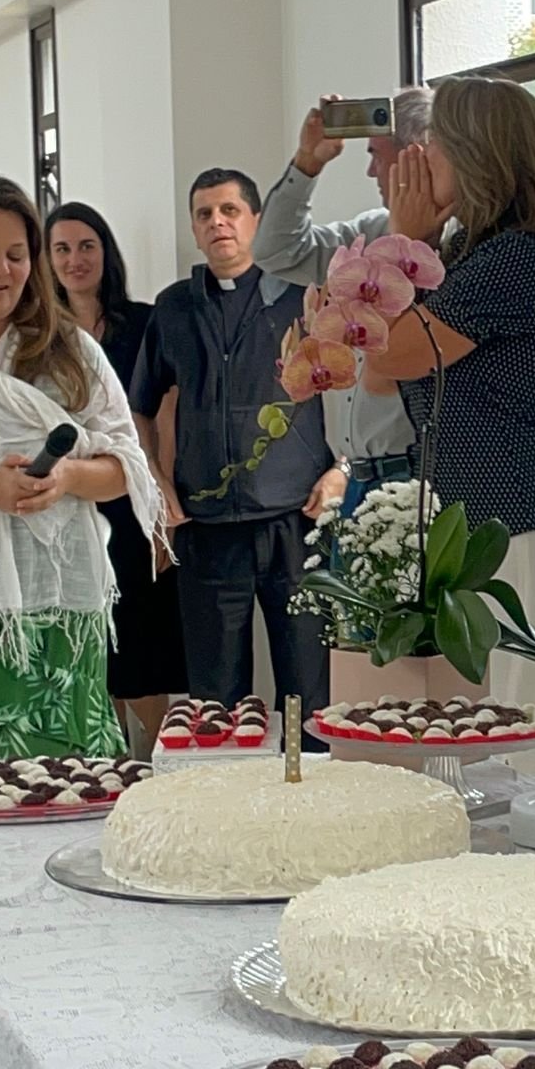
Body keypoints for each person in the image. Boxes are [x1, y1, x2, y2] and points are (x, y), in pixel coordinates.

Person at [362, 76, 535, 785]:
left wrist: (403, 241)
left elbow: (389, 353)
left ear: (477, 153)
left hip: (518, 525)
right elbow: (377, 376)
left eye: (433, 144)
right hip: (473, 530)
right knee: (477, 755)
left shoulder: (518, 258)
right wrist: (418, 247)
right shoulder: (465, 257)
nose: (418, 159)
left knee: (531, 751)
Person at [129, 169, 339, 719]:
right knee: (214, 701)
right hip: (207, 530)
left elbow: (360, 386)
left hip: (295, 523)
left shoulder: (303, 298)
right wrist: (157, 481)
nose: (217, 223)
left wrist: (342, 466)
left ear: (257, 221)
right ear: (194, 230)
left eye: (229, 211)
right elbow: (139, 407)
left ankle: (308, 774)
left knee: (308, 694)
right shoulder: (174, 308)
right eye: (204, 214)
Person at [0, 178, 164, 760]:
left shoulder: (69, 348)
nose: (1, 271)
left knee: (68, 775)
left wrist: (66, 477)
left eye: (16, 255)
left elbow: (125, 466)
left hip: (62, 600)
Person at [47, 201, 187, 757]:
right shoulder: (41, 336)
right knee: (91, 647)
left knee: (141, 648)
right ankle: (107, 769)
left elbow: (164, 415)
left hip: (134, 500)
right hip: (70, 505)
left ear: (106, 252)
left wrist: (160, 500)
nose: (75, 259)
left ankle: (156, 769)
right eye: (61, 249)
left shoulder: (146, 322)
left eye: (87, 246)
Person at [255, 87, 438, 512]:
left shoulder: (457, 244)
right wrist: (308, 162)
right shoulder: (369, 232)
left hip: (416, 474)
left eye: (377, 156)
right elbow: (275, 251)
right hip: (355, 477)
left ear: (414, 156)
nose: (371, 172)